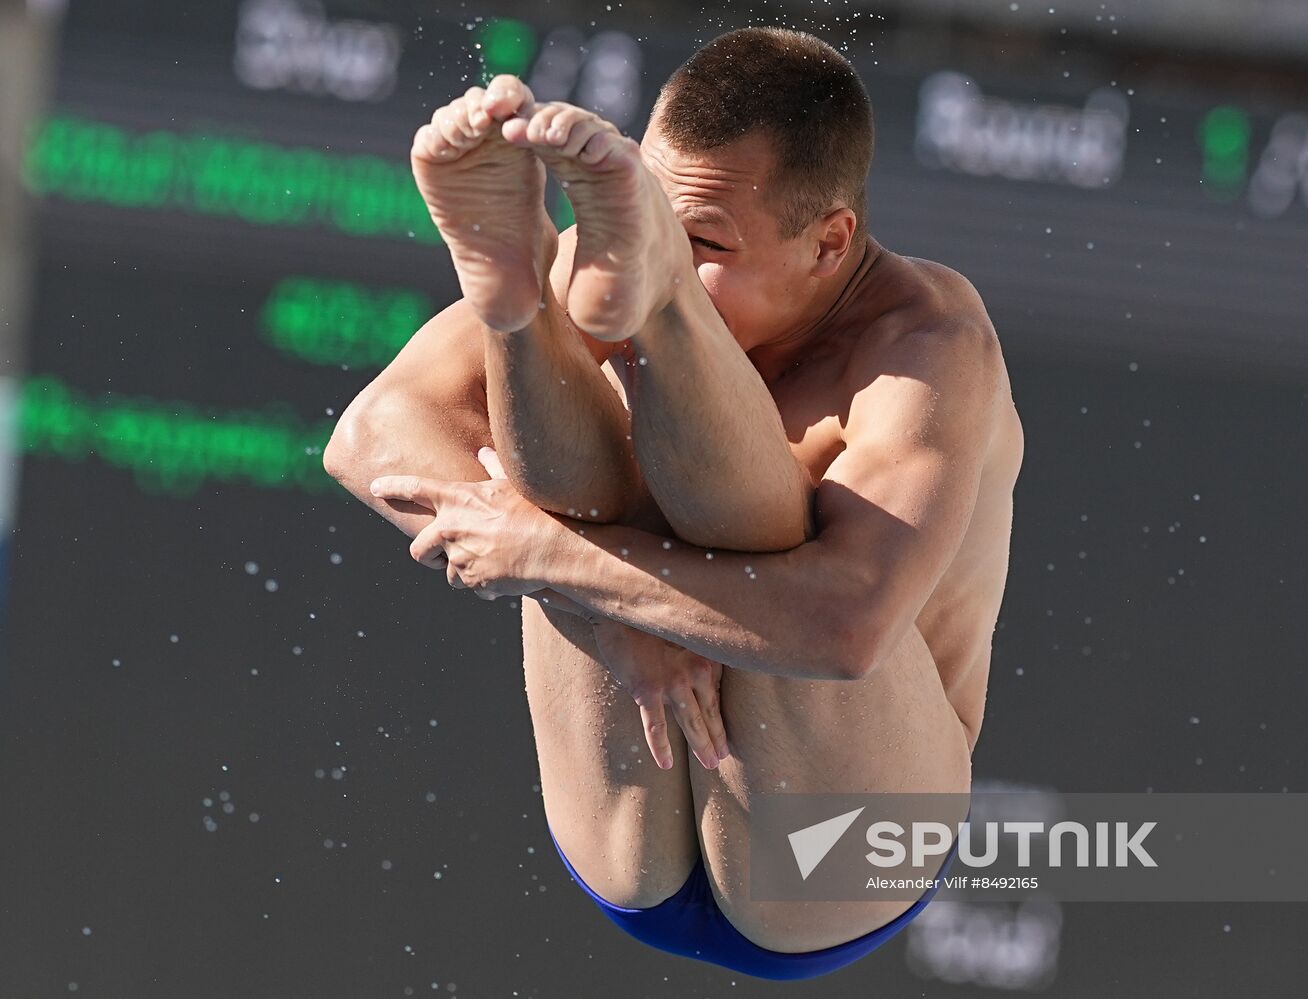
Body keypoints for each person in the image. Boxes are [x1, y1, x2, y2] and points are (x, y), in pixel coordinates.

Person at [324, 26, 1023, 980]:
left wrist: (560, 564)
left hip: (839, 855)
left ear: (831, 243)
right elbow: (369, 435)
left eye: (700, 243)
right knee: (576, 465)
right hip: (621, 823)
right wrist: (611, 618)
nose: (651, 245)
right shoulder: (597, 253)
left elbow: (847, 629)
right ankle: (513, 311)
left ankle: (650, 324)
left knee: (764, 524)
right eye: (648, 217)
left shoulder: (926, 343)